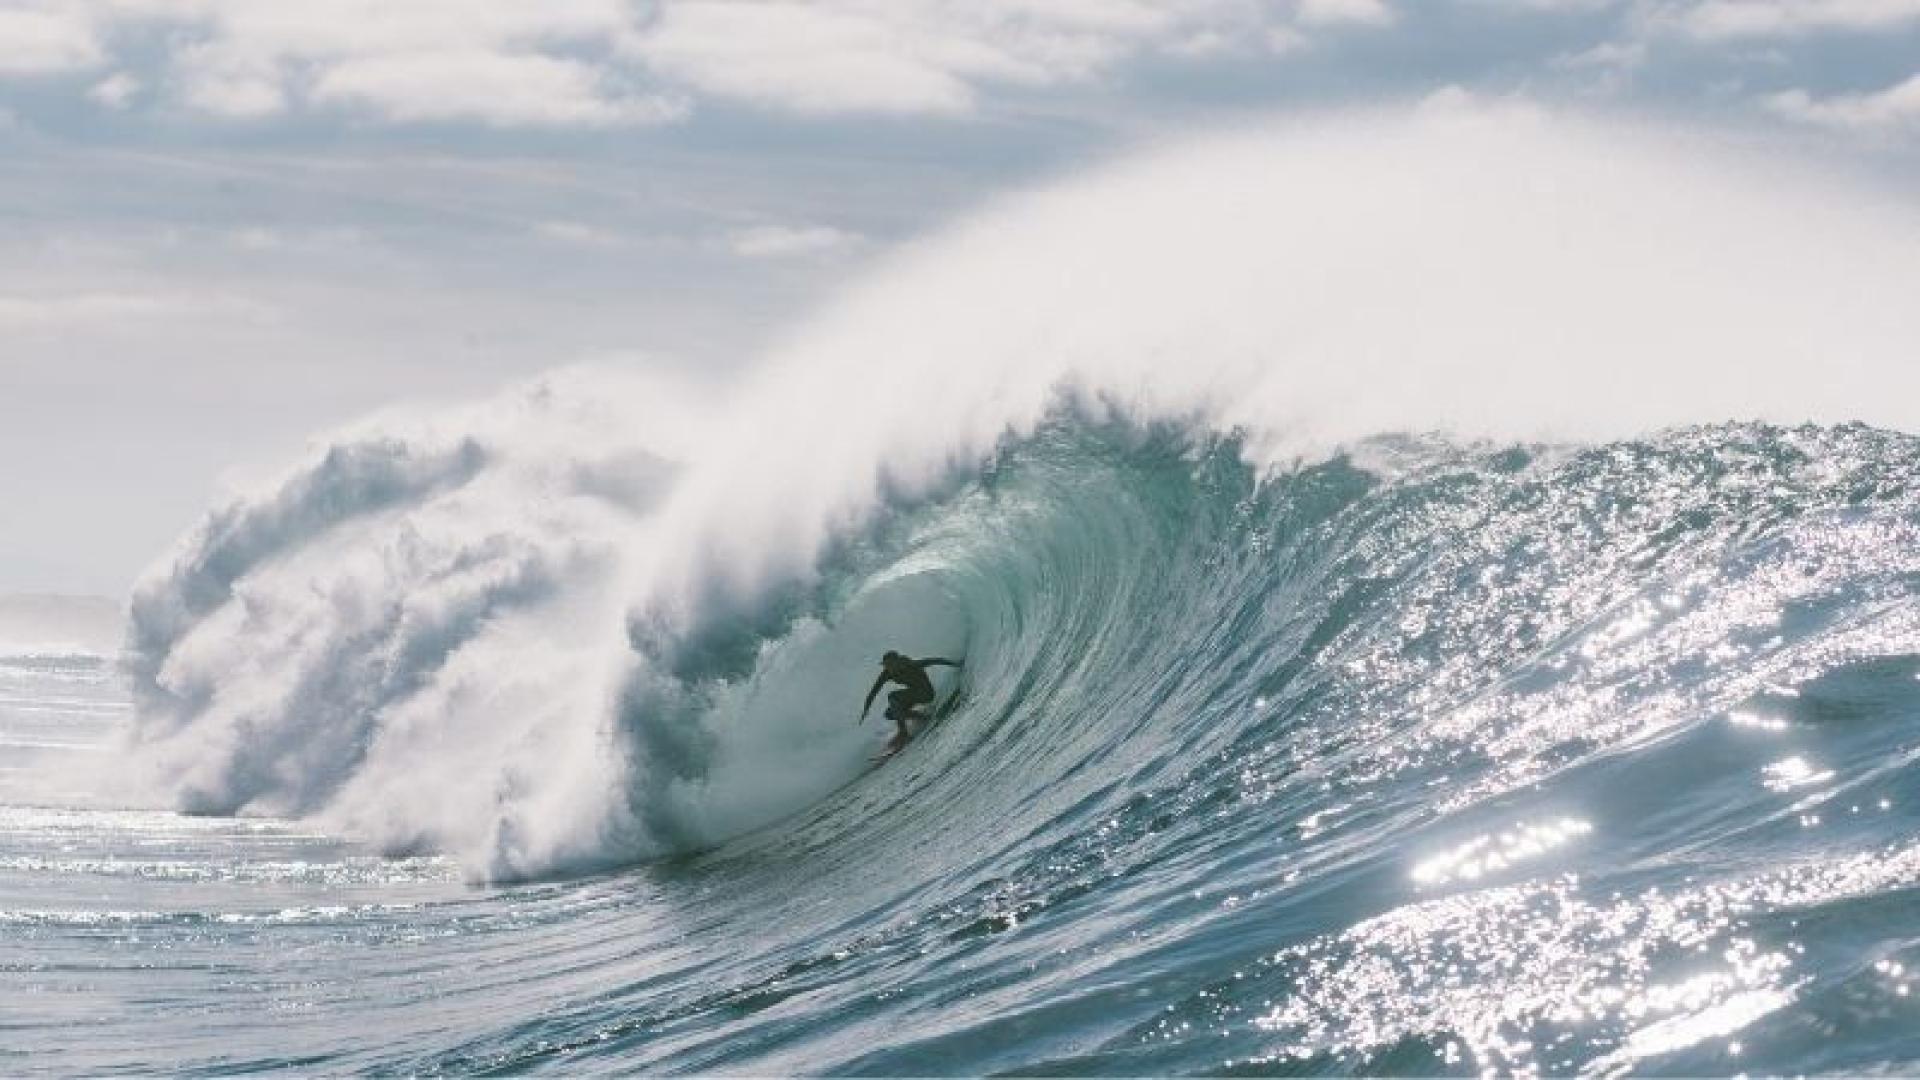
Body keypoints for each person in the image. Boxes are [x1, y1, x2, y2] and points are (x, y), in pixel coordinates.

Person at [859, 650, 961, 748]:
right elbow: (873, 692)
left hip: (926, 694)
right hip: (913, 696)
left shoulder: (910, 664)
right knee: (890, 714)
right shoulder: (887, 674)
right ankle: (922, 717)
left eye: (890, 664)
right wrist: (866, 710)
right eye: (886, 665)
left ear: (897, 661)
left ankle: (903, 733)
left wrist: (955, 663)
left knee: (892, 697)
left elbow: (934, 660)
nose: (888, 667)